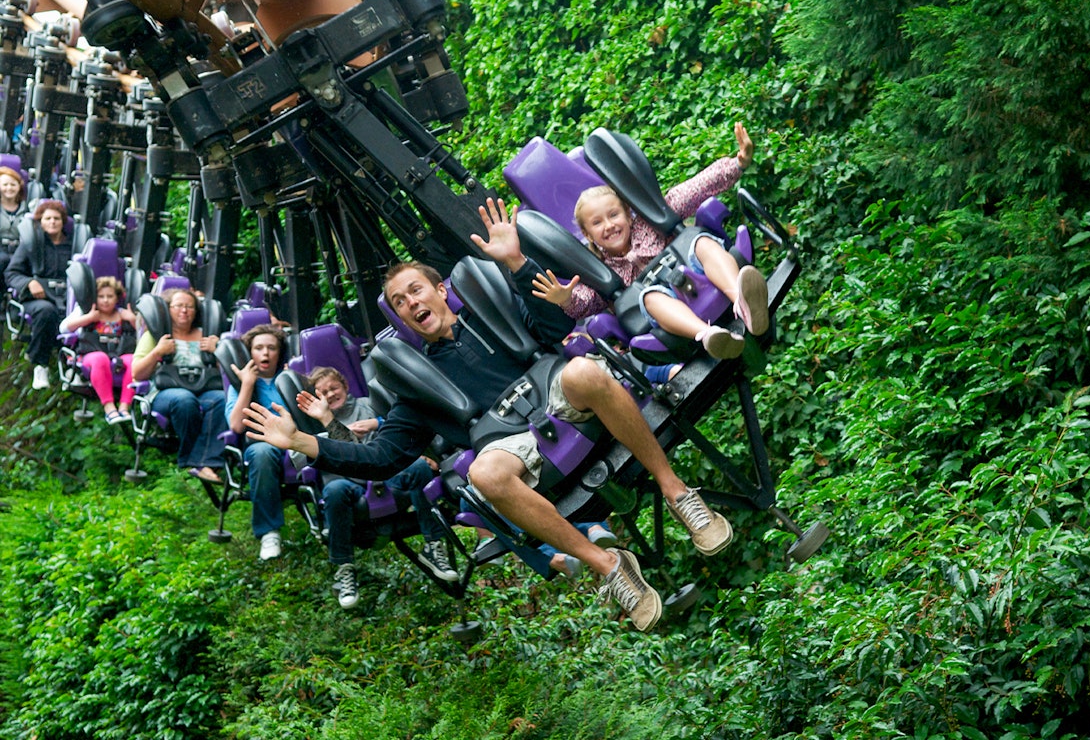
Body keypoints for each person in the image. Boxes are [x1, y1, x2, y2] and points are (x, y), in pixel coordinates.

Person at [242, 200, 734, 632]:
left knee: (584, 369)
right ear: (400, 319)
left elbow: (554, 325)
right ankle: (607, 566)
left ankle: (677, 492)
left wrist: (517, 262)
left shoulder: (492, 313)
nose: (412, 303)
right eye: (400, 303)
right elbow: (384, 457)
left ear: (439, 290)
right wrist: (306, 443)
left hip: (557, 402)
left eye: (417, 291)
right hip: (513, 446)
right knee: (482, 470)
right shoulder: (417, 388)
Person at [532, 122, 769, 360]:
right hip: (671, 315)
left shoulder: (652, 218)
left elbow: (696, 189)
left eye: (614, 215)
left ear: (627, 212)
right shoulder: (599, 270)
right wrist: (565, 299)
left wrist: (737, 164)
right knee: (648, 297)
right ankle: (709, 336)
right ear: (588, 234)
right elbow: (584, 302)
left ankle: (742, 300)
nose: (609, 225)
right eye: (597, 223)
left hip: (701, 278)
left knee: (700, 242)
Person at [296, 366, 451, 608]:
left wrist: (376, 423)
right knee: (334, 491)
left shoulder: (368, 404)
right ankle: (343, 568)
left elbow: (400, 425)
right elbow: (349, 455)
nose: (329, 395)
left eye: (333, 388)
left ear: (346, 387)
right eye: (322, 392)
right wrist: (326, 422)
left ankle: (434, 544)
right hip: (348, 486)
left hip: (387, 478)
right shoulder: (313, 421)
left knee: (419, 468)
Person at [130, 288, 226, 483]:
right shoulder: (156, 335)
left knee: (222, 400)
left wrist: (218, 352)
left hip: (204, 388)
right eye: (179, 306)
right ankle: (189, 461)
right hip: (165, 393)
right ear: (168, 309)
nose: (185, 311)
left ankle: (206, 463)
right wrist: (158, 351)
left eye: (189, 307)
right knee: (184, 400)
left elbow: (226, 373)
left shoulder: (207, 335)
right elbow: (137, 373)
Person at [225, 323, 291, 561]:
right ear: (249, 353)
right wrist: (247, 384)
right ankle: (269, 532)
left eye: (271, 348)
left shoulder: (290, 378)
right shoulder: (239, 386)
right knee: (261, 453)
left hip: (296, 438)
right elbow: (236, 426)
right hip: (264, 442)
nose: (265, 354)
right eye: (259, 348)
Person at [5, 199, 72, 389]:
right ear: (40, 221)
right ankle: (40, 364)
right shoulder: (31, 245)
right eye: (47, 218)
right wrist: (29, 282)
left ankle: (72, 366)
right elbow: (12, 273)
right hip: (38, 298)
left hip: (67, 297)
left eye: (56, 218)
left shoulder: (73, 246)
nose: (52, 222)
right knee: (46, 312)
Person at [59, 275, 138, 423]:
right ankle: (109, 408)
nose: (106, 300)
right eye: (101, 296)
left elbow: (144, 334)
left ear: (117, 297)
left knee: (134, 360)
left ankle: (124, 407)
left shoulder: (123, 313)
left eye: (110, 296)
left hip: (119, 354)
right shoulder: (86, 311)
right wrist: (87, 319)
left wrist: (133, 320)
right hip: (91, 354)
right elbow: (63, 328)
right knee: (100, 358)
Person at [0, 166, 29, 293]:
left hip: (19, 249)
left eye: (13, 184)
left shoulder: (28, 209)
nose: (9, 188)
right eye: (5, 184)